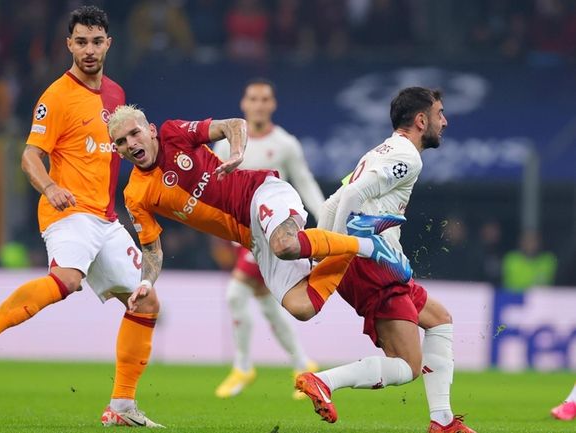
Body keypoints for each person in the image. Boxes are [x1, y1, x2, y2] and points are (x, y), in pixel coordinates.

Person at [0, 6, 163, 428]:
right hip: (68, 212)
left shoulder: (118, 96)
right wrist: (50, 186)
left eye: (96, 41)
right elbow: (30, 156)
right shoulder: (56, 96)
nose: (88, 50)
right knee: (67, 279)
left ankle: (121, 408)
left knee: (147, 303)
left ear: (108, 44)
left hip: (105, 219)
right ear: (69, 44)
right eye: (80, 41)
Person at [107, 104, 411, 332]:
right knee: (302, 308)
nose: (131, 144)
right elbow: (151, 249)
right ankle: (358, 238)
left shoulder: (174, 133)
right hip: (250, 237)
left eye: (134, 133)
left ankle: (366, 246)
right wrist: (146, 281)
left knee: (285, 244)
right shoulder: (136, 194)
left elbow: (234, 124)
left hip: (262, 193)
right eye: (121, 142)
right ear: (118, 151)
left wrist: (237, 153)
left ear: (150, 131)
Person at [294, 87, 476, 433]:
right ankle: (323, 381)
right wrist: (338, 249)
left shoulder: (381, 150)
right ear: (421, 120)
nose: (445, 121)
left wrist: (325, 251)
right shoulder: (407, 157)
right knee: (407, 366)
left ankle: (443, 421)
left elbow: (334, 202)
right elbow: (350, 195)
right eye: (440, 114)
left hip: (378, 262)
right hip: (373, 264)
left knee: (439, 319)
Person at [212, 78, 323, 399]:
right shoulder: (226, 144)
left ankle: (243, 366)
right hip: (243, 236)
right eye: (253, 99)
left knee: (235, 294)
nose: (259, 105)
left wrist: (326, 218)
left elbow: (305, 183)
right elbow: (219, 191)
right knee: (268, 303)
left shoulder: (285, 144)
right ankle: (304, 365)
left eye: (265, 99)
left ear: (272, 105)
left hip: (275, 233)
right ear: (243, 104)